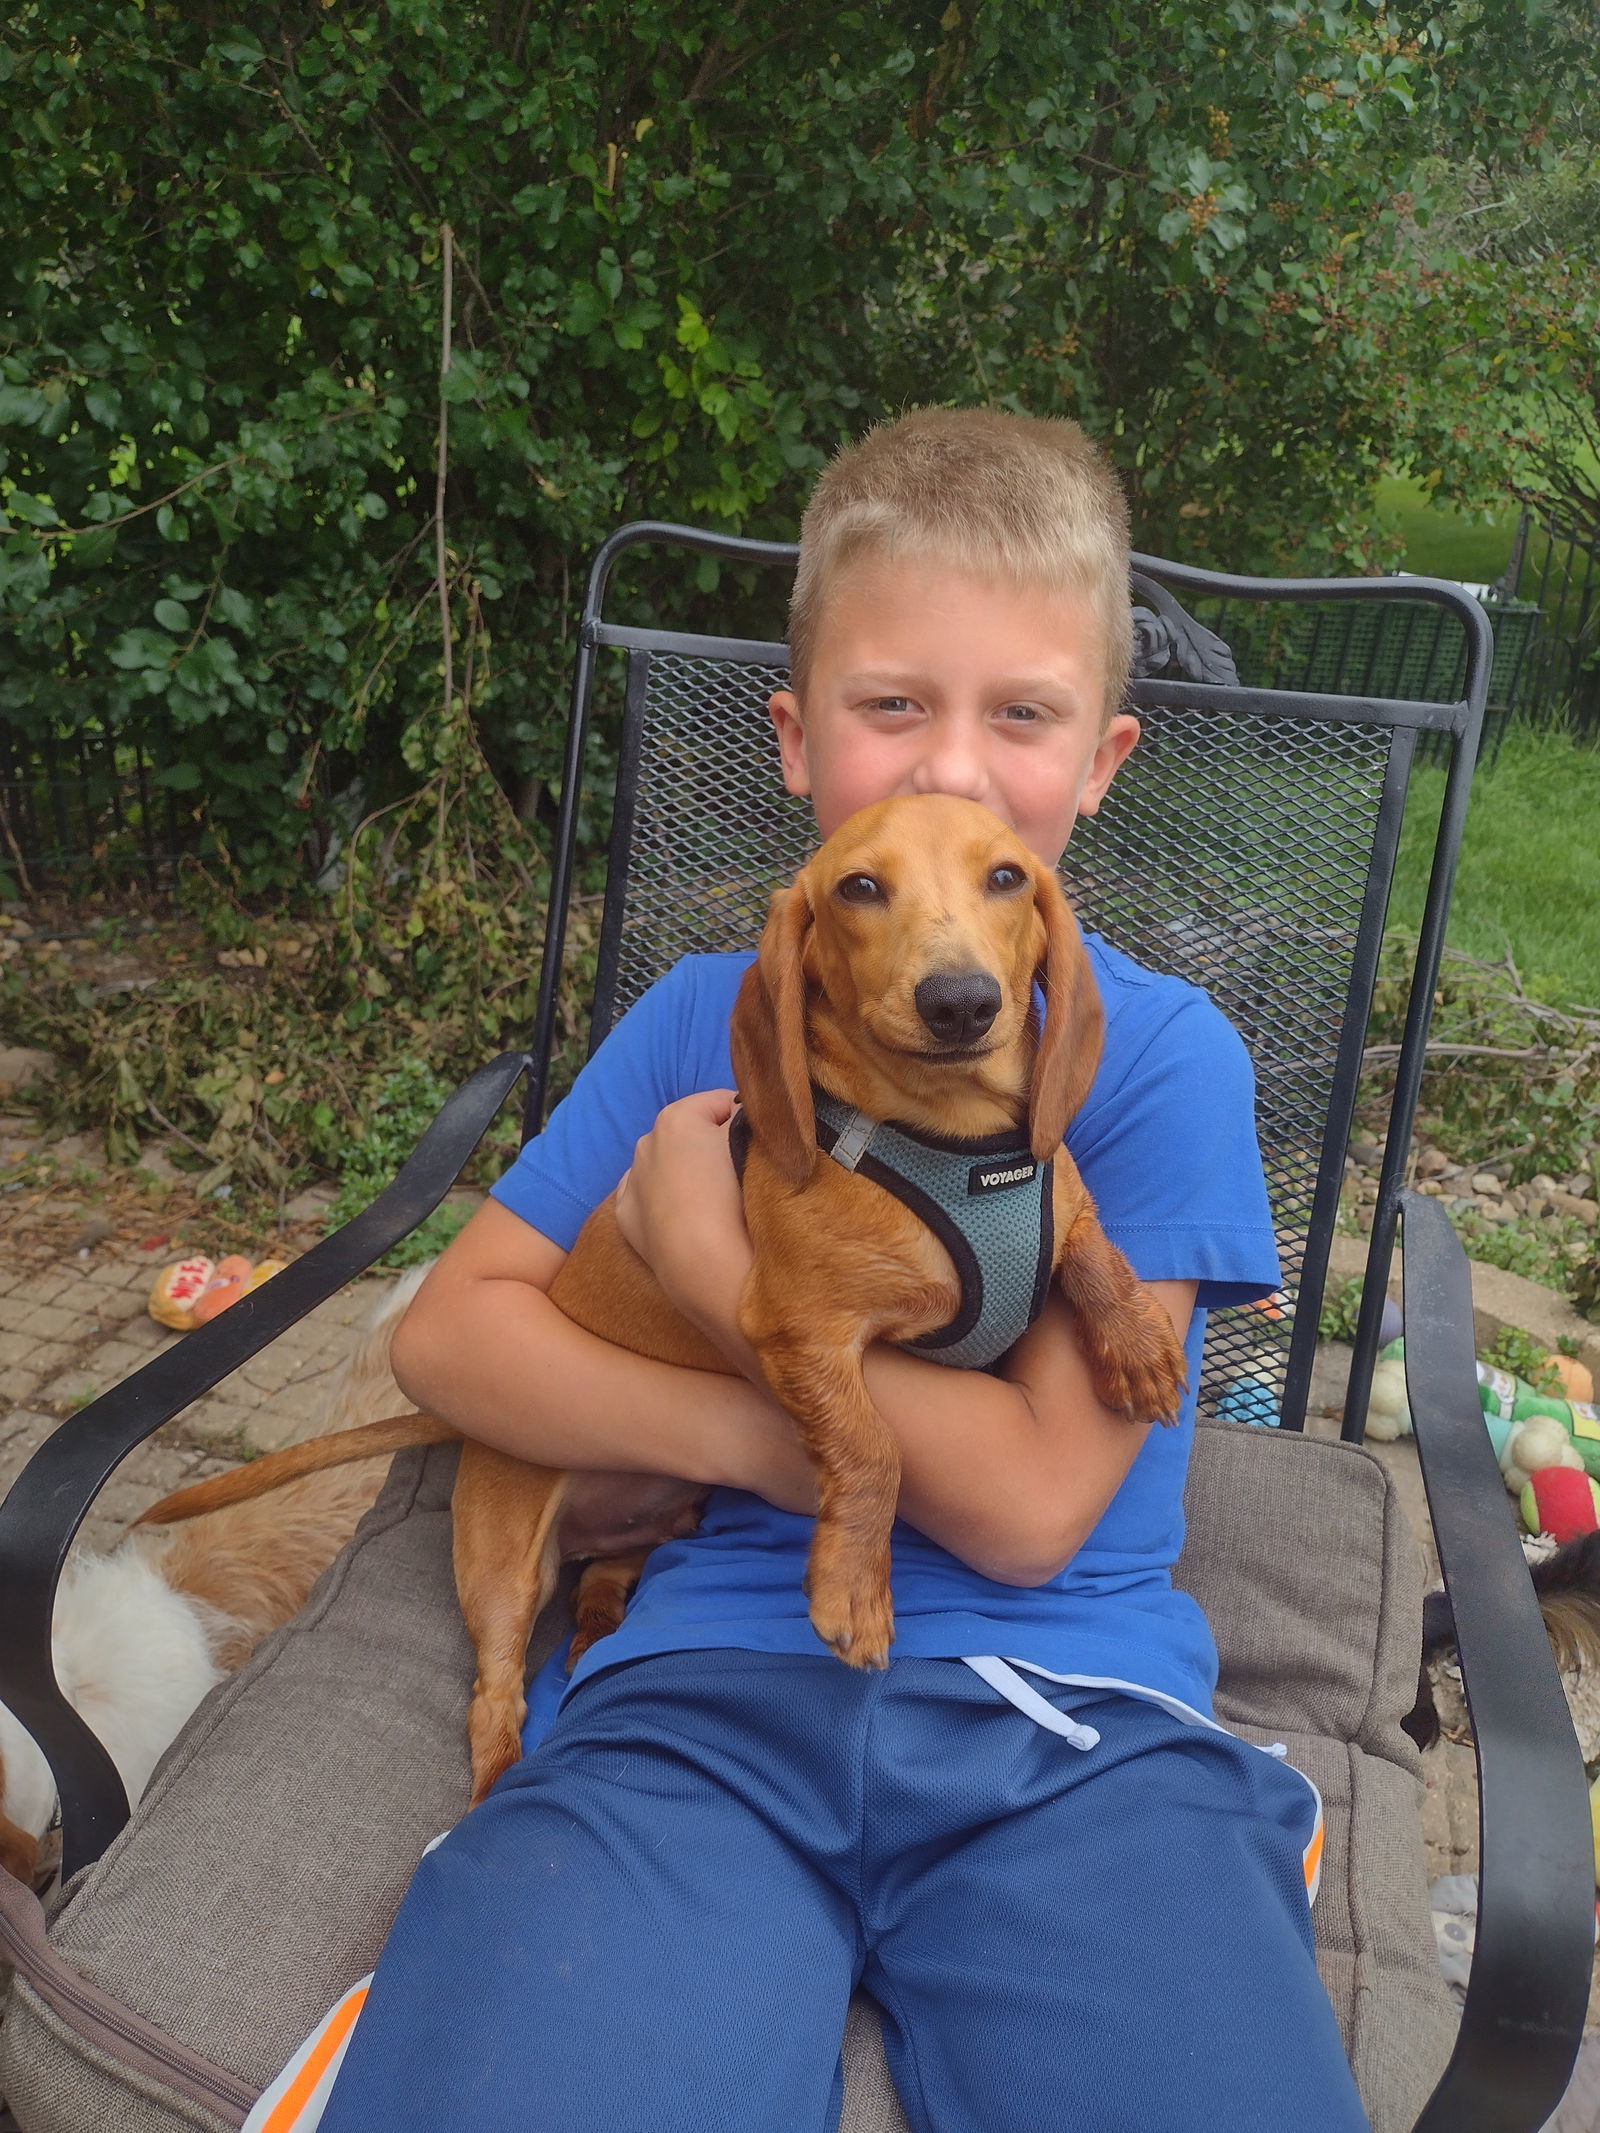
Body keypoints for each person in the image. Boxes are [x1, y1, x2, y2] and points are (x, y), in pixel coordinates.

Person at [304, 409, 1372, 2131]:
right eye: (893, 706)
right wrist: (761, 1436)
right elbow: (452, 1340)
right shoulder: (696, 1024)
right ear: (794, 742)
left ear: (1101, 762)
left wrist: (715, 1260)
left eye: (1018, 715)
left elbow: (1030, 1507)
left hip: (1071, 1730)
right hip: (696, 1696)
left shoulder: (1157, 1058)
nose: (951, 769)